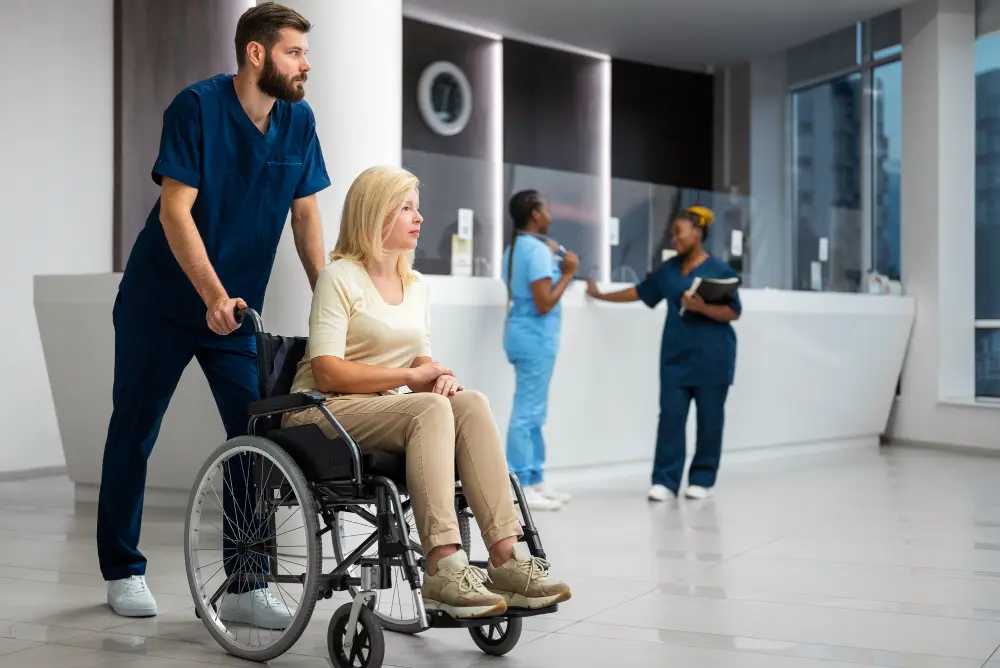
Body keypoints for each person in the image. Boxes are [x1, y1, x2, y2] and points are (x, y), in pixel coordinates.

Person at [97, 3, 330, 626]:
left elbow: (306, 215)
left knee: (256, 435)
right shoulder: (196, 107)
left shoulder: (299, 121)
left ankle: (247, 582)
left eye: (304, 54)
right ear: (256, 53)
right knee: (134, 430)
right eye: (294, 52)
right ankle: (122, 569)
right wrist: (210, 295)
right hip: (163, 303)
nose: (305, 65)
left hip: (236, 312)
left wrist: (330, 300)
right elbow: (175, 210)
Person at [282, 166, 572, 619]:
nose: (419, 218)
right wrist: (415, 380)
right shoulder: (339, 277)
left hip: (384, 408)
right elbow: (326, 372)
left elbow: (419, 362)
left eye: (417, 208)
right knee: (430, 410)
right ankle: (442, 567)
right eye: (406, 208)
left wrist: (435, 376)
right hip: (322, 411)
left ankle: (507, 558)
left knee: (469, 402)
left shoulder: (416, 285)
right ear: (374, 214)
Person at [586, 206, 741, 502]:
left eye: (679, 233)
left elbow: (733, 312)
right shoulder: (669, 270)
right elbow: (640, 292)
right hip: (675, 359)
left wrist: (702, 307)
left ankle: (702, 479)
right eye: (672, 234)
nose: (674, 239)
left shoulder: (720, 270)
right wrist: (600, 295)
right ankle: (665, 480)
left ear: (698, 232)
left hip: (713, 359)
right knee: (670, 417)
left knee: (710, 420)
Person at [500, 190, 578, 511]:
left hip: (525, 334)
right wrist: (569, 272)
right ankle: (519, 483)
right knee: (527, 412)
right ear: (535, 214)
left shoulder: (518, 247)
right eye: (546, 209)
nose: (550, 215)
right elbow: (545, 302)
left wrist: (557, 262)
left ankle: (534, 478)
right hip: (534, 338)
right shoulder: (535, 251)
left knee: (535, 410)